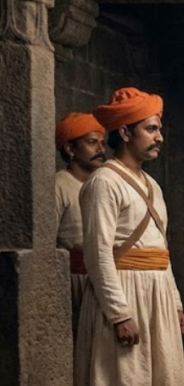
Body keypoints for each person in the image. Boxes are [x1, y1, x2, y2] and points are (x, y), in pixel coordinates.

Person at [77, 87, 184, 386]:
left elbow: (162, 251)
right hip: (123, 293)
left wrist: (175, 302)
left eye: (159, 129)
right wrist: (118, 312)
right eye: (151, 129)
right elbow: (97, 253)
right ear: (124, 132)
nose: (159, 137)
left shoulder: (152, 185)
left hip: (155, 293)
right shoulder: (104, 182)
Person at [55, 111, 107, 313]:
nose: (101, 149)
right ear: (70, 149)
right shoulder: (59, 185)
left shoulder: (104, 184)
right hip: (73, 282)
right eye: (92, 142)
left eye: (102, 143)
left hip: (105, 280)